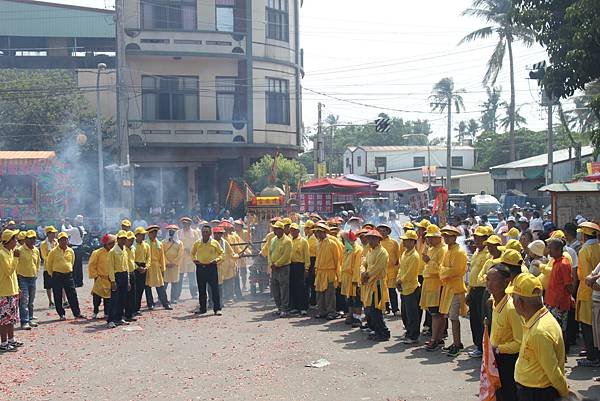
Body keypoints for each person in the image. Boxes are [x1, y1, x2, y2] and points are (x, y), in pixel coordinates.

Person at [510, 273, 569, 401]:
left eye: (512, 297)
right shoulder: (537, 319)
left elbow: (553, 373)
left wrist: (566, 394)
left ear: (519, 302)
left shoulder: (539, 332)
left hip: (536, 394)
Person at [486, 264, 523, 401]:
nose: (488, 284)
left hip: (508, 361)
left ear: (506, 282)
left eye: (492, 280)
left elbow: (520, 343)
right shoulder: (495, 301)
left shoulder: (511, 308)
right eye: (487, 279)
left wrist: (498, 349)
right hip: (495, 359)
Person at [439, 225, 468, 357]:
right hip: (448, 288)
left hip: (455, 288)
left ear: (454, 237)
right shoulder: (447, 251)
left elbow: (456, 270)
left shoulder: (459, 252)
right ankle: (456, 342)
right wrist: (445, 271)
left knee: (453, 317)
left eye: (448, 236)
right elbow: (442, 268)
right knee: (450, 317)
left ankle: (458, 343)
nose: (446, 238)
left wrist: (444, 271)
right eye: (445, 236)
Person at [420, 224, 448, 351]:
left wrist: (429, 261)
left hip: (437, 285)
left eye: (432, 237)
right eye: (428, 237)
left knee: (436, 314)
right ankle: (438, 337)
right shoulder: (431, 249)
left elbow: (440, 269)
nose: (429, 240)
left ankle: (435, 339)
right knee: (435, 313)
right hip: (430, 284)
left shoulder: (442, 250)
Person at [576, 221, 600, 367]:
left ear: (584, 235)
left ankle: (592, 356)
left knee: (587, 325)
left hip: (587, 292)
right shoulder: (598, 247)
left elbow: (585, 275)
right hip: (596, 292)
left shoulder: (584, 251)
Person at [46, 232, 85, 320]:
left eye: (65, 240)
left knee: (72, 295)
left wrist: (68, 269)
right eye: (62, 240)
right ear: (58, 241)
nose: (64, 241)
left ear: (68, 241)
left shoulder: (70, 251)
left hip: (68, 275)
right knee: (58, 295)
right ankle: (61, 314)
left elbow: (72, 262)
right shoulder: (53, 251)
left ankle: (77, 313)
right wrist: (52, 274)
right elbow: (49, 265)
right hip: (57, 276)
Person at [544, 238, 574, 353]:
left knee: (560, 330)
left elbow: (568, 284)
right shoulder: (556, 262)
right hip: (552, 302)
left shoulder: (564, 264)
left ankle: (563, 354)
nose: (549, 251)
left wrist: (569, 296)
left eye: (550, 248)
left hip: (559, 304)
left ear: (557, 249)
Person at [361, 229, 390, 341]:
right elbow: (364, 263)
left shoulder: (383, 252)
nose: (371, 241)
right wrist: (363, 272)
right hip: (370, 283)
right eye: (369, 238)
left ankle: (383, 331)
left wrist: (366, 274)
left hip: (377, 284)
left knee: (376, 309)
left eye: (373, 238)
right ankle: (377, 329)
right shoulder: (370, 251)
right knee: (371, 309)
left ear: (378, 240)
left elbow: (377, 269)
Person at [467, 226, 491, 357]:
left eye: (479, 238)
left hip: (483, 290)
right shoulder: (477, 252)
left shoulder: (488, 254)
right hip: (474, 289)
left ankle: (483, 347)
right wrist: (469, 291)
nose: (476, 240)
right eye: (475, 237)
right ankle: (478, 345)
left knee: (483, 319)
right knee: (474, 319)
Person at [192, 224, 223, 316]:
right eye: (203, 232)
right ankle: (202, 308)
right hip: (200, 268)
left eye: (206, 232)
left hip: (211, 267)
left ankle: (217, 309)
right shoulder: (197, 243)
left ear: (210, 233)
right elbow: (192, 253)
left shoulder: (214, 243)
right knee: (201, 289)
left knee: (214, 289)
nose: (205, 234)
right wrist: (194, 260)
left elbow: (222, 253)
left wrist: (217, 260)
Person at [396, 230, 421, 344]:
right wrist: (398, 280)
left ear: (412, 242)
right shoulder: (405, 253)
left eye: (406, 240)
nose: (404, 242)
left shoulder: (415, 256)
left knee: (412, 313)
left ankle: (413, 335)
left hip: (411, 287)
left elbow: (410, 273)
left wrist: (400, 280)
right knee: (405, 312)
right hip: (404, 287)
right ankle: (408, 332)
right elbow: (401, 269)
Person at [0, 229, 23, 352]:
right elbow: (9, 271)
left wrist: (17, 288)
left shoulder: (9, 252)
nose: (16, 241)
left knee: (11, 319)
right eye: (14, 239)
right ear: (8, 241)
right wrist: (16, 259)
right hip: (3, 292)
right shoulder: (2, 254)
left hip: (11, 290)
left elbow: (13, 274)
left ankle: (11, 340)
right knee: (4, 320)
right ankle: (3, 342)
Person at [314, 223, 341, 320]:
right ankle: (322, 311)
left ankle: (331, 312)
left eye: (319, 232)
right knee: (319, 293)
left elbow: (337, 260)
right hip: (320, 272)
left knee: (329, 294)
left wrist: (338, 275)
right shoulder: (319, 243)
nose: (317, 234)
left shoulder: (332, 243)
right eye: (317, 232)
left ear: (324, 232)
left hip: (330, 272)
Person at [15, 230, 40, 330]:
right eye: (30, 238)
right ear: (25, 239)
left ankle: (30, 318)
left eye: (34, 238)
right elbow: (15, 264)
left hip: (32, 277)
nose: (32, 240)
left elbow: (38, 263)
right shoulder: (19, 250)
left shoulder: (36, 250)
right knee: (24, 300)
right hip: (22, 277)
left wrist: (36, 273)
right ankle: (24, 321)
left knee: (31, 300)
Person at [268, 221, 292, 317]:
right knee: (275, 288)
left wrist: (277, 264)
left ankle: (284, 309)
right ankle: (279, 307)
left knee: (284, 289)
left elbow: (286, 255)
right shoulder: (273, 240)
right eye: (274, 229)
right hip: (274, 268)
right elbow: (269, 253)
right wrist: (271, 263)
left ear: (281, 230)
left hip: (283, 267)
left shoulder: (287, 241)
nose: (275, 230)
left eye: (277, 229)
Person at [146, 225, 172, 311]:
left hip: (156, 266)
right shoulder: (145, 244)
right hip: (148, 266)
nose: (154, 234)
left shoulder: (159, 244)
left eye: (155, 232)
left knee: (160, 286)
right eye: (152, 233)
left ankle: (165, 303)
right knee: (148, 287)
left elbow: (162, 257)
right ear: (149, 234)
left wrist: (163, 269)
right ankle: (150, 304)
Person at [88, 234, 114, 320]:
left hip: (110, 279)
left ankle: (107, 313)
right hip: (100, 278)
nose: (112, 245)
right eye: (110, 243)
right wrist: (95, 276)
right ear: (105, 244)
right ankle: (95, 311)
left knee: (108, 298)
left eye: (113, 243)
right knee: (97, 297)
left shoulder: (113, 252)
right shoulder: (97, 253)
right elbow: (92, 265)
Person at [107, 231, 130, 328]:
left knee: (122, 298)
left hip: (124, 274)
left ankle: (119, 318)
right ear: (118, 239)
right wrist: (112, 281)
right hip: (116, 276)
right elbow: (110, 267)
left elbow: (126, 265)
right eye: (121, 238)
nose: (123, 240)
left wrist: (128, 280)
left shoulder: (124, 249)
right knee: (114, 299)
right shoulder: (112, 251)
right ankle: (110, 320)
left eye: (125, 238)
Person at [339, 230, 362, 326]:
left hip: (353, 278)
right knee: (348, 298)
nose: (342, 241)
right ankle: (350, 315)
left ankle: (357, 318)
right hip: (346, 277)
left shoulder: (358, 250)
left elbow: (357, 266)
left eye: (343, 239)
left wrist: (356, 280)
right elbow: (343, 264)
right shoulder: (347, 249)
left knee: (356, 298)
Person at [377, 224, 400, 317]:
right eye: (380, 230)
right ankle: (385, 307)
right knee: (382, 290)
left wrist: (397, 268)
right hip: (381, 270)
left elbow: (398, 256)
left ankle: (395, 309)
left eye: (384, 230)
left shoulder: (393, 242)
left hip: (391, 270)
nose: (382, 232)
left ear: (387, 232)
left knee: (392, 290)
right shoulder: (377, 242)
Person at [175, 217, 199, 301]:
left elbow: (198, 244)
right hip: (181, 258)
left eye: (187, 224)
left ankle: (194, 293)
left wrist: (192, 250)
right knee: (180, 277)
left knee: (192, 276)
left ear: (190, 224)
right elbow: (176, 244)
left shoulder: (195, 233)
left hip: (191, 257)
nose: (185, 225)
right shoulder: (178, 233)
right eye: (184, 223)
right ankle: (177, 295)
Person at [213, 226, 238, 304]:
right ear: (214, 234)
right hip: (214, 265)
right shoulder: (210, 242)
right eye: (216, 233)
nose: (218, 235)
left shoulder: (225, 242)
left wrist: (236, 256)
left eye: (220, 233)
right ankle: (215, 299)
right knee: (215, 283)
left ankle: (229, 297)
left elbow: (231, 252)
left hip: (225, 265)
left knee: (228, 281)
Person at [289, 223, 310, 315]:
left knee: (301, 287)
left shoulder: (303, 241)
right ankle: (295, 306)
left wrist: (306, 269)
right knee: (292, 286)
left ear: (298, 231)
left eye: (294, 230)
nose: (293, 232)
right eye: (291, 230)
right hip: (291, 265)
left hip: (300, 266)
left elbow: (307, 256)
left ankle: (303, 307)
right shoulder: (289, 240)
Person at [61, 215, 86, 288]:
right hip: (79, 248)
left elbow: (65, 231)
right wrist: (68, 224)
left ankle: (75, 281)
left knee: (74, 265)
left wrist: (63, 224)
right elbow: (72, 229)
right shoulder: (81, 228)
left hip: (75, 248)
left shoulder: (75, 229)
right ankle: (79, 281)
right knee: (79, 266)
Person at [163, 225, 184, 304]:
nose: (171, 233)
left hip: (175, 266)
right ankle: (162, 298)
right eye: (170, 231)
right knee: (164, 282)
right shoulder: (163, 242)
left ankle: (173, 298)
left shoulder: (179, 243)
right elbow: (162, 254)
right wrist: (167, 262)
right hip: (166, 266)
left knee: (175, 282)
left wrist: (174, 262)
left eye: (173, 232)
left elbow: (180, 254)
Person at [133, 227, 151, 313]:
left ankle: (137, 308)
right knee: (134, 289)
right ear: (137, 235)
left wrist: (146, 267)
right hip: (135, 267)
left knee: (141, 289)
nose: (144, 236)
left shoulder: (146, 245)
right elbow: (130, 259)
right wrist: (137, 267)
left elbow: (148, 258)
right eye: (142, 235)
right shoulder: (132, 246)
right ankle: (132, 307)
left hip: (143, 267)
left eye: (144, 234)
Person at [40, 226, 58, 308]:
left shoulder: (56, 242)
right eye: (52, 233)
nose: (54, 234)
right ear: (48, 234)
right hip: (47, 267)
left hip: (57, 267)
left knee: (59, 285)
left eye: (54, 233)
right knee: (48, 286)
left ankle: (63, 300)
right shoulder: (43, 244)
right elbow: (44, 256)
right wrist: (52, 260)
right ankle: (50, 301)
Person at [123, 231, 138, 322]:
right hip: (125, 273)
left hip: (133, 272)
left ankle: (130, 314)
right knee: (125, 295)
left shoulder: (133, 249)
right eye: (130, 240)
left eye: (132, 240)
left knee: (132, 295)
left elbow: (133, 261)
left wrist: (138, 268)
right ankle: (123, 314)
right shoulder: (123, 249)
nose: (131, 241)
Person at [304, 220, 319, 307]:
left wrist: (315, 265)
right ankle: (310, 300)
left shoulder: (314, 238)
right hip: (308, 260)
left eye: (308, 228)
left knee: (313, 282)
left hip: (313, 260)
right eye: (305, 228)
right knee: (308, 281)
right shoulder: (307, 238)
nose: (306, 230)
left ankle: (313, 300)